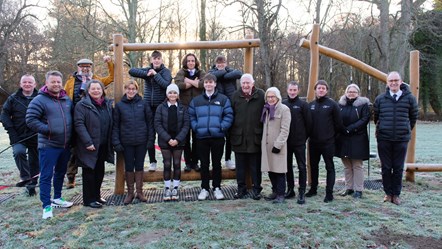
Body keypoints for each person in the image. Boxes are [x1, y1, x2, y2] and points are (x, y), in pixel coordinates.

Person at [26, 71, 74, 219]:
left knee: (60, 172)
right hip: (48, 145)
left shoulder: (66, 99)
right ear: (47, 83)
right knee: (46, 175)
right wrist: (48, 130)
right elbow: (30, 119)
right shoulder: (39, 100)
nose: (56, 84)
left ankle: (57, 198)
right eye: (53, 82)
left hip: (65, 144)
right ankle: (46, 205)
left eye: (58, 82)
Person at [65, 56, 114, 189]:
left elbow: (111, 77)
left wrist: (110, 62)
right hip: (75, 117)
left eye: (87, 67)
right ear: (78, 68)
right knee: (73, 149)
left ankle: (95, 185)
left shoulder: (97, 80)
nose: (85, 69)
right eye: (82, 67)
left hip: (91, 119)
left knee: (93, 152)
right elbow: (64, 96)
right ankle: (71, 176)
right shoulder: (71, 82)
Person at [374, 71, 418, 205]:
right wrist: (383, 129)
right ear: (387, 83)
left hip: (401, 139)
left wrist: (404, 129)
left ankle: (396, 194)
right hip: (384, 138)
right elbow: (376, 117)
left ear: (401, 81)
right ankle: (388, 194)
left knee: (398, 168)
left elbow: (413, 117)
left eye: (396, 80)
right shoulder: (380, 99)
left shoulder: (410, 98)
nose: (393, 83)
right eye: (391, 81)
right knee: (386, 168)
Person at [189, 74, 233, 201]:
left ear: (215, 84)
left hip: (217, 136)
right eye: (206, 82)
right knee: (204, 164)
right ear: (204, 84)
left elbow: (229, 115)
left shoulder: (223, 99)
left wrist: (222, 126)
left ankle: (217, 188)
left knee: (216, 164)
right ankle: (204, 188)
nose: (208, 84)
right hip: (201, 137)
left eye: (211, 82)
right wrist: (196, 127)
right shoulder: (196, 101)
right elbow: (191, 116)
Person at [129, 50, 172, 172]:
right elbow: (131, 71)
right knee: (150, 135)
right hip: (148, 107)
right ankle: (152, 161)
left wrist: (155, 75)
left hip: (161, 107)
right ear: (151, 60)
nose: (156, 60)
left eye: (158, 58)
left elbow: (166, 85)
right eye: (154, 58)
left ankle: (166, 162)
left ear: (161, 60)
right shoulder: (147, 70)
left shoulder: (166, 72)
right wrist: (148, 73)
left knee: (163, 135)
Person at [113, 80, 154, 205]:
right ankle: (130, 193)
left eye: (133, 89)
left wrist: (150, 140)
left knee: (140, 166)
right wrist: (117, 142)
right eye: (128, 89)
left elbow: (150, 123)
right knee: (129, 166)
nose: (131, 91)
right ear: (125, 90)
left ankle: (140, 192)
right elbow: (115, 126)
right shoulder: (120, 106)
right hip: (127, 142)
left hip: (141, 141)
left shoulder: (143, 104)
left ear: (136, 90)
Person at [74, 80, 114, 208]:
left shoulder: (106, 104)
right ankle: (88, 199)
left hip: (102, 143)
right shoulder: (82, 105)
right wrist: (87, 142)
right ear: (88, 90)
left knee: (100, 171)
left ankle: (97, 195)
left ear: (102, 90)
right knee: (89, 172)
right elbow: (79, 124)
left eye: (98, 89)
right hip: (89, 145)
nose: (96, 91)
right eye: (93, 89)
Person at [306, 80, 344, 203]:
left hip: (328, 143)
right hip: (313, 142)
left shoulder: (332, 104)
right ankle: (313, 189)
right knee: (313, 167)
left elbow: (339, 124)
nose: (321, 90)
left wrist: (332, 138)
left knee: (329, 167)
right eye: (319, 88)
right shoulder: (310, 105)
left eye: (323, 88)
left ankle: (329, 193)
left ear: (326, 90)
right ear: (315, 90)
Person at [230, 74, 265, 200]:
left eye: (248, 83)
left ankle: (257, 189)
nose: (245, 85)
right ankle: (241, 189)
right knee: (240, 167)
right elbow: (230, 114)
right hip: (239, 136)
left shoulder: (261, 95)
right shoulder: (235, 96)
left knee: (255, 166)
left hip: (255, 137)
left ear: (253, 83)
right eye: (243, 83)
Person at [1, 74, 39, 188]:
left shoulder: (40, 97)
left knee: (35, 159)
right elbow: (4, 115)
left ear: (34, 84)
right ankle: (25, 177)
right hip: (18, 135)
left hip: (36, 134)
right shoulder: (13, 98)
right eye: (24, 82)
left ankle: (33, 181)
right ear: (20, 84)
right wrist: (11, 132)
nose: (27, 84)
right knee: (19, 152)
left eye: (30, 82)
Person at [154, 84, 190, 201]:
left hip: (178, 141)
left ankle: (175, 188)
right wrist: (168, 139)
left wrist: (177, 139)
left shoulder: (183, 108)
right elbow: (157, 124)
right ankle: (167, 188)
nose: (172, 95)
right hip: (165, 141)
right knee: (167, 164)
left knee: (177, 164)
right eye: (170, 93)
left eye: (174, 93)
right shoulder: (161, 108)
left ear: (178, 95)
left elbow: (186, 125)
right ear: (167, 94)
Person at [335, 83, 370, 199]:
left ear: (358, 93)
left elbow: (364, 119)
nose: (351, 94)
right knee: (347, 165)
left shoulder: (363, 105)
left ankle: (358, 190)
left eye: (354, 92)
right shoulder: (340, 105)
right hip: (343, 137)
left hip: (358, 138)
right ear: (346, 92)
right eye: (349, 91)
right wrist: (342, 129)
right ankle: (348, 188)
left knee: (357, 165)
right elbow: (336, 118)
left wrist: (351, 129)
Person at [208, 55, 242, 170]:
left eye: (222, 63)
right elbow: (212, 76)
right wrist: (223, 74)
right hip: (217, 106)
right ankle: (216, 161)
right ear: (215, 64)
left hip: (231, 105)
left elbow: (239, 73)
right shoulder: (212, 72)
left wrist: (224, 74)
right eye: (218, 63)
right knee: (218, 134)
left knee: (230, 135)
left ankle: (228, 159)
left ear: (226, 63)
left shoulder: (230, 71)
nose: (220, 65)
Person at [175, 53, 206, 172]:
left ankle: (195, 162)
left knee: (197, 137)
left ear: (196, 62)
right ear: (185, 62)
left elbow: (202, 84)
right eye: (188, 61)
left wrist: (189, 81)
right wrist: (193, 82)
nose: (191, 63)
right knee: (186, 138)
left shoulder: (201, 72)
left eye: (193, 61)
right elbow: (179, 85)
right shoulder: (181, 72)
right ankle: (188, 162)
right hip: (185, 109)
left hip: (198, 109)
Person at [282, 81, 312, 204]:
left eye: (295, 90)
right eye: (291, 90)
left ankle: (301, 191)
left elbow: (309, 123)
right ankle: (290, 189)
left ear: (298, 91)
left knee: (301, 166)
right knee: (287, 167)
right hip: (286, 142)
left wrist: (304, 137)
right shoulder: (283, 104)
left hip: (299, 142)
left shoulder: (303, 105)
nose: (292, 92)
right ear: (287, 90)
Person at [261, 87, 291, 204]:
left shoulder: (284, 109)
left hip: (278, 146)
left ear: (277, 97)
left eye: (273, 96)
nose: (270, 99)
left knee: (279, 171)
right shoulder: (266, 109)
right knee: (270, 170)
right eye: (268, 97)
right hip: (267, 146)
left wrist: (278, 145)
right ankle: (274, 191)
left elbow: (285, 130)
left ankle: (280, 194)